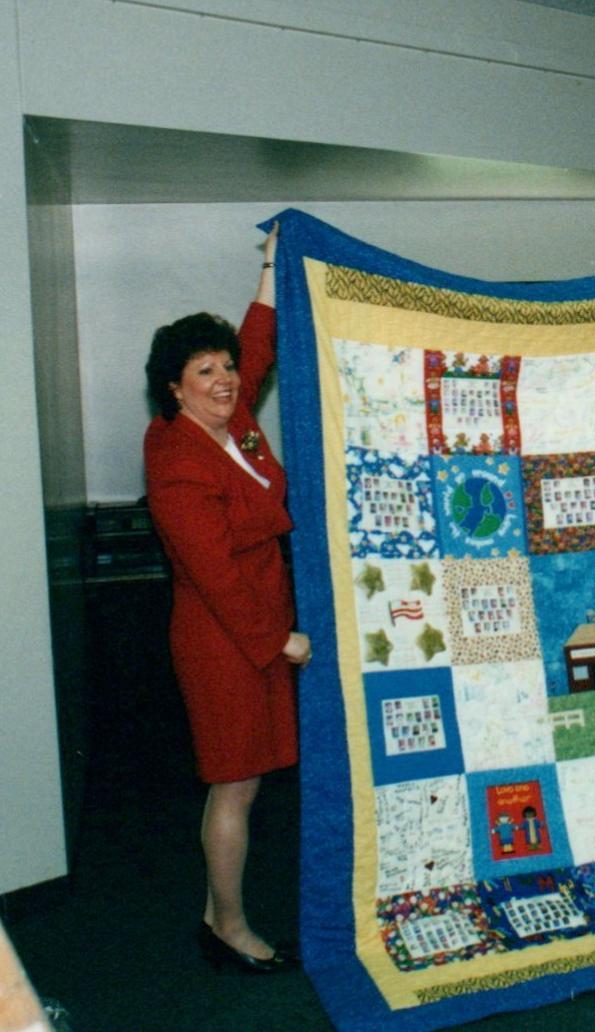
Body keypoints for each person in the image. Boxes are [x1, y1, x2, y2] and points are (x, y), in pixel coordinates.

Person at [143, 229, 310, 974]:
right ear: (172, 387)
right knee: (234, 784)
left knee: (247, 778)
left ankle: (222, 909)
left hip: (258, 624)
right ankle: (228, 927)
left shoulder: (233, 422)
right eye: (202, 370)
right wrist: (275, 642)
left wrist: (273, 261)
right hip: (223, 638)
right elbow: (213, 573)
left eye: (225, 368)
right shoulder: (176, 456)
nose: (224, 377)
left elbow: (259, 339)